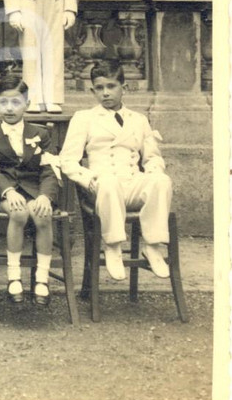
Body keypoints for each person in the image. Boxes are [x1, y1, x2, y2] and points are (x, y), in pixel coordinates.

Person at [59, 61, 172, 280]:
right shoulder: (84, 118)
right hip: (101, 186)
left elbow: (152, 156)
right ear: (93, 90)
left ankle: (153, 246)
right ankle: (112, 246)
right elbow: (67, 160)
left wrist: (153, 171)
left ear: (124, 87)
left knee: (162, 181)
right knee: (109, 182)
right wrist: (87, 178)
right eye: (99, 88)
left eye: (111, 86)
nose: (105, 93)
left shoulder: (138, 120)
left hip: (132, 183)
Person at [0, 77, 60, 306]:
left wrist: (45, 195)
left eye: (15, 102)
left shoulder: (41, 134)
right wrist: (7, 191)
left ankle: (41, 278)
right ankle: (13, 276)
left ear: (26, 103)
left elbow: (49, 169)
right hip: (6, 192)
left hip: (36, 190)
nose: (9, 108)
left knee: (42, 214)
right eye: (3, 102)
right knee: (18, 213)